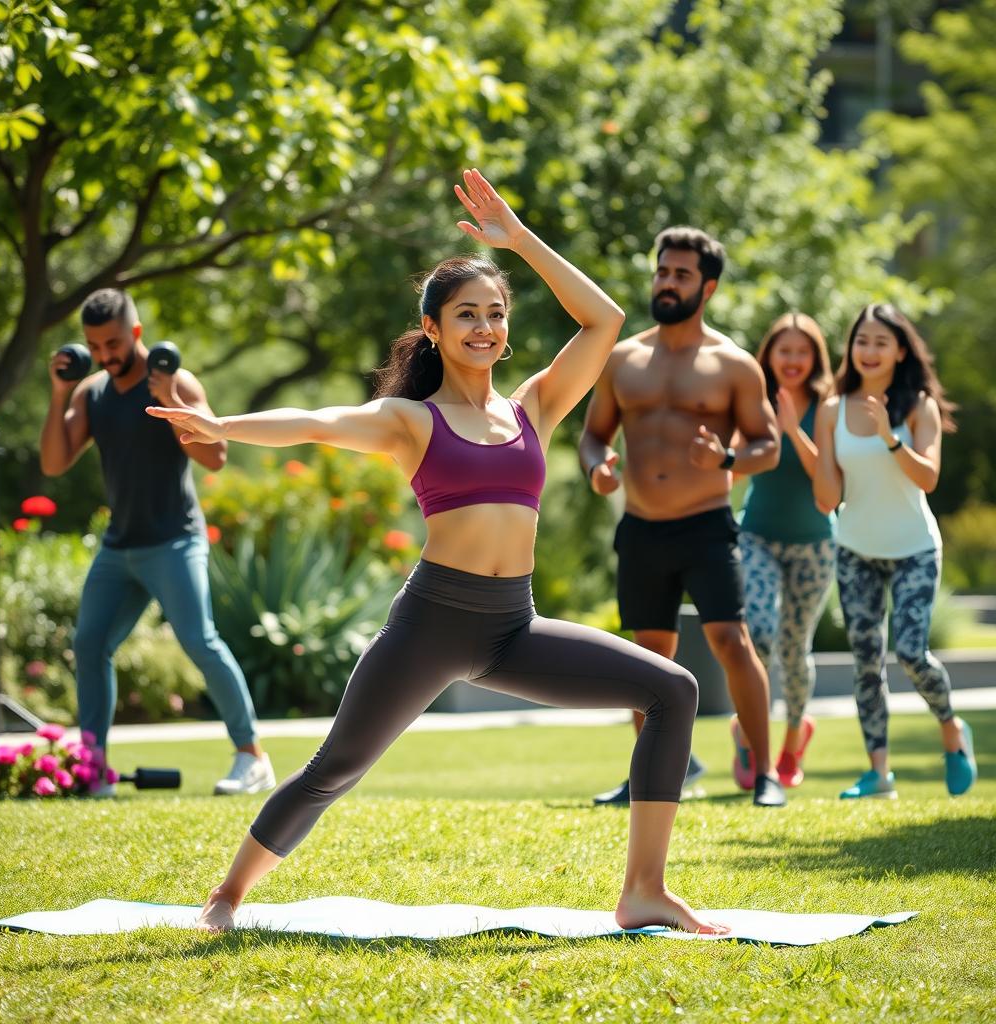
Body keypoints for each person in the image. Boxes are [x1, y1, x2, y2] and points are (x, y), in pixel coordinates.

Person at [149, 170, 729, 935]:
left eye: (495, 314)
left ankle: (645, 891)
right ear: (433, 328)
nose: (483, 327)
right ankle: (227, 895)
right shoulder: (410, 421)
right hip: (431, 623)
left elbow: (604, 320)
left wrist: (517, 239)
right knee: (336, 769)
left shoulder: (535, 409)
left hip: (512, 629)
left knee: (673, 690)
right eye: (466, 315)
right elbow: (318, 420)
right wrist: (224, 427)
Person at [580, 226, 786, 808]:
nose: (667, 283)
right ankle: (651, 778)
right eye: (662, 272)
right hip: (642, 526)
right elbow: (593, 437)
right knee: (648, 654)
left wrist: (724, 457)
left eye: (682, 275)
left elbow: (767, 446)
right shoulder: (624, 358)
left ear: (709, 286)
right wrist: (598, 469)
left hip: (705, 523)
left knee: (730, 639)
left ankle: (765, 773)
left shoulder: (734, 364)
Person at [40, 289, 274, 796]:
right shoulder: (92, 393)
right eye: (95, 346)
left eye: (114, 342)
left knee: (200, 642)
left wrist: (168, 398)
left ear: (137, 333)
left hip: (174, 542)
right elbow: (54, 464)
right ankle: (92, 769)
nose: (106, 355)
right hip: (119, 547)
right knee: (90, 644)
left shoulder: (176, 381)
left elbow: (216, 458)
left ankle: (251, 757)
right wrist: (60, 393)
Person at [813, 303, 977, 799]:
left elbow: (927, 477)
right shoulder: (830, 409)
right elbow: (827, 497)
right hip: (855, 548)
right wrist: (808, 443)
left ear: (900, 349)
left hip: (913, 549)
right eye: (861, 341)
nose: (869, 350)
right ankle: (879, 773)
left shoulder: (917, 405)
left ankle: (951, 727)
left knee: (909, 650)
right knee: (866, 659)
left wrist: (888, 437)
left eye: (881, 342)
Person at [737, 312, 835, 787]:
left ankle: (794, 737)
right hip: (756, 535)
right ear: (769, 355)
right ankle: (748, 728)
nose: (793, 360)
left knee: (795, 649)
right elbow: (731, 463)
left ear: (815, 356)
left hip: (816, 545)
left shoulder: (830, 405)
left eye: (802, 351)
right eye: (784, 350)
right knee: (758, 630)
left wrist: (795, 428)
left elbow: (830, 483)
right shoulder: (751, 399)